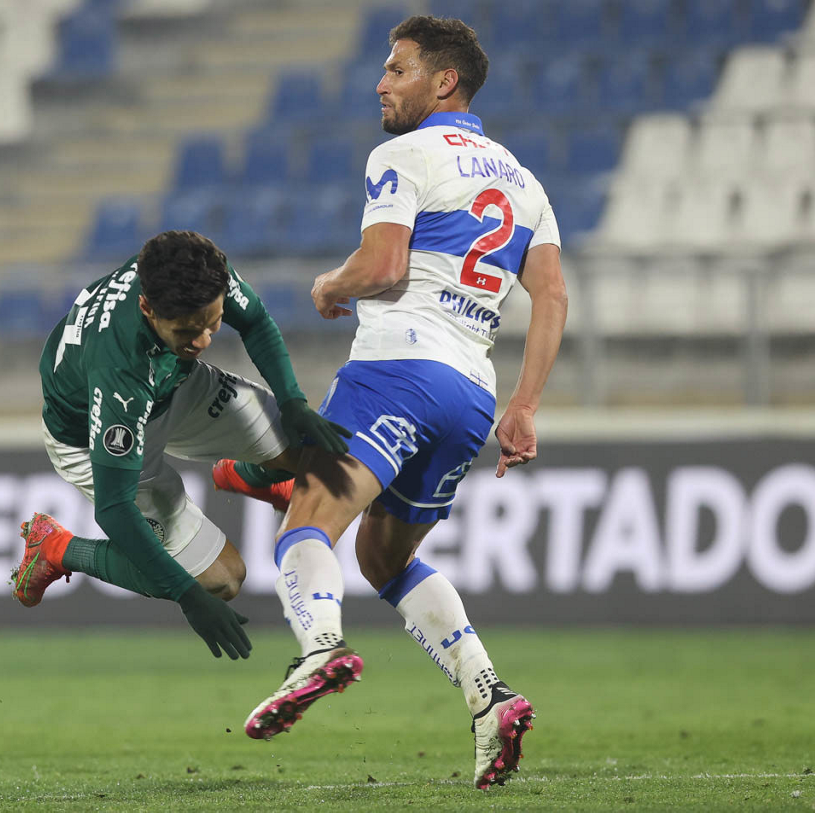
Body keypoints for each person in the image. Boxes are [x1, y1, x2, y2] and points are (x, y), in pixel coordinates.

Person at [213, 16, 567, 790]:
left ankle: (320, 648)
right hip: (469, 396)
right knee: (383, 556)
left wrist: (332, 283)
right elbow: (552, 296)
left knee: (308, 522)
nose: (381, 83)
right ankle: (489, 695)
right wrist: (526, 405)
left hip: (399, 365)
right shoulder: (523, 182)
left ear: (444, 82)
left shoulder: (404, 154)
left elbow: (384, 265)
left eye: (398, 69)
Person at [11, 230, 350, 661]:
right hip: (93, 436)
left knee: (312, 453)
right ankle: (57, 548)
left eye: (212, 323)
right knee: (222, 580)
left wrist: (293, 402)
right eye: (188, 330)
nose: (204, 341)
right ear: (147, 308)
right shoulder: (120, 372)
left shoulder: (197, 270)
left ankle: (245, 474)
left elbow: (255, 321)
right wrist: (186, 596)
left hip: (174, 384)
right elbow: (114, 508)